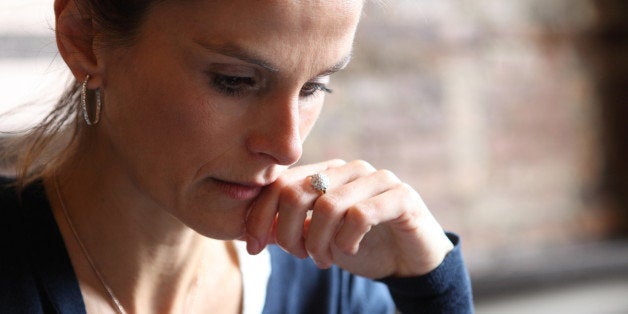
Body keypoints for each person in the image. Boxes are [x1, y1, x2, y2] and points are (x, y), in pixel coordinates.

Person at [0, 0, 473, 313]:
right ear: (85, 40)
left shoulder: (333, 291)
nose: (289, 146)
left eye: (314, 87)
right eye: (235, 81)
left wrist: (429, 287)